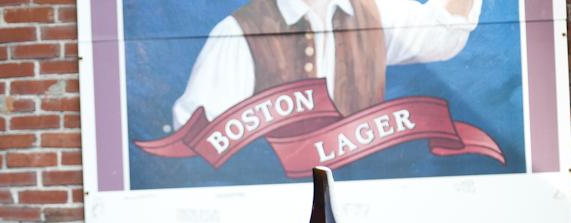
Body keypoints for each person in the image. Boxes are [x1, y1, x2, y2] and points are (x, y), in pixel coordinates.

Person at [172, 0, 482, 127]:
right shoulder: (238, 33)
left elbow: (442, 34)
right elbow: (199, 140)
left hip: (358, 204)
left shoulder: (375, 13)